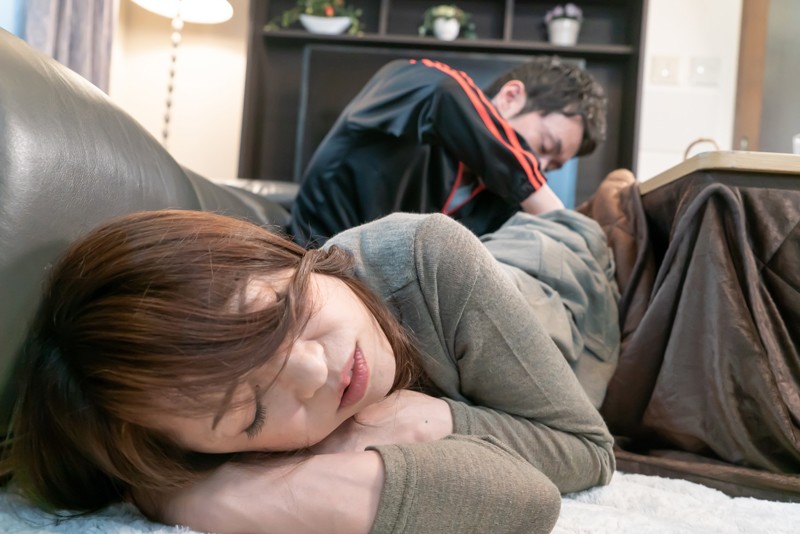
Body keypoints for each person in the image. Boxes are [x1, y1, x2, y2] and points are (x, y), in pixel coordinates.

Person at [1, 207, 619, 534]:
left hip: (557, 274)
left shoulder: (429, 255)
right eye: (253, 414)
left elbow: (589, 450)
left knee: (584, 226)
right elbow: (519, 501)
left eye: (281, 311)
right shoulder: (190, 442)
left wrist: (430, 419)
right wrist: (208, 497)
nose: (315, 368)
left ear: (272, 253)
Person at [289, 55, 607, 247]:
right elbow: (443, 92)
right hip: (312, 260)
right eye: (545, 146)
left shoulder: (501, 204)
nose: (539, 164)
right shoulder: (413, 83)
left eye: (551, 167)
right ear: (510, 97)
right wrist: (539, 196)